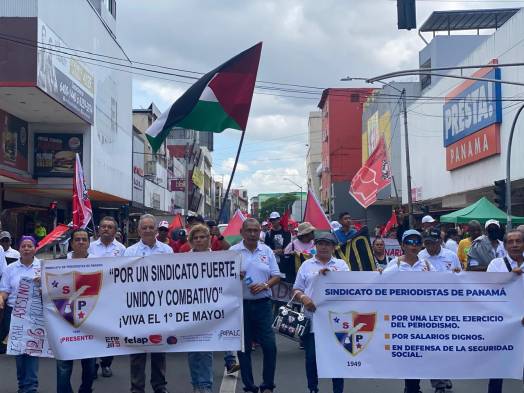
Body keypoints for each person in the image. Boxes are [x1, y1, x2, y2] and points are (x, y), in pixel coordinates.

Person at [293, 232, 348, 393]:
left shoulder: (341, 265)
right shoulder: (306, 265)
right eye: (321, 243)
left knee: (336, 358)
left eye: (328, 244)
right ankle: (312, 389)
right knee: (311, 359)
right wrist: (304, 298)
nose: (324, 247)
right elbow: (296, 289)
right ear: (315, 246)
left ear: (334, 247)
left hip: (335, 321)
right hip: (312, 319)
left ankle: (338, 390)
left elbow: (350, 288)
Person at [124, 214, 173, 393]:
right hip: (136, 308)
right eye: (143, 227)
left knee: (159, 348)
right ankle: (137, 387)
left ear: (156, 229)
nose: (147, 230)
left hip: (160, 307)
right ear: (138, 231)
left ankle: (160, 386)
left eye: (150, 227)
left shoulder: (167, 251)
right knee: (137, 350)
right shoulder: (129, 252)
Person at [231, 218, 281, 393]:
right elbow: (224, 279)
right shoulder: (233, 251)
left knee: (269, 346)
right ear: (242, 233)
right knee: (244, 348)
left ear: (260, 232)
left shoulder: (266, 250)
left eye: (256, 230)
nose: (252, 234)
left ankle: (268, 383)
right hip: (241, 306)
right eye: (249, 230)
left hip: (263, 305)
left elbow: (276, 275)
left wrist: (266, 285)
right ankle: (249, 385)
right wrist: (234, 276)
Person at [383, 230, 434, 393]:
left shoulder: (426, 265)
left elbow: (441, 286)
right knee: (407, 355)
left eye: (417, 243)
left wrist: (455, 276)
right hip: (401, 319)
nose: (414, 246)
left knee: (418, 355)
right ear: (403, 245)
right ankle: (411, 387)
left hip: (422, 319)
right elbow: (380, 286)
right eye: (410, 242)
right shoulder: (395, 264)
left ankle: (413, 386)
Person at [56, 228, 97, 393]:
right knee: (63, 365)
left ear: (89, 243)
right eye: (77, 239)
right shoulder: (58, 262)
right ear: (71, 243)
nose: (81, 242)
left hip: (91, 321)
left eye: (84, 239)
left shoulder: (99, 263)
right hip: (64, 320)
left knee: (90, 365)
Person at [485, 230, 524, 393]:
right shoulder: (496, 264)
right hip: (502, 323)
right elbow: (487, 291)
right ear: (505, 245)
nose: (514, 245)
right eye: (510, 242)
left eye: (518, 241)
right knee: (497, 367)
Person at [0, 236, 40, 391]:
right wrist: (1, 299)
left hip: (35, 313)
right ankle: (23, 384)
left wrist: (42, 285)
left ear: (35, 248)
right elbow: (4, 290)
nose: (27, 249)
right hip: (14, 314)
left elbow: (51, 288)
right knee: (18, 351)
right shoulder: (11, 269)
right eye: (23, 246)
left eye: (30, 246)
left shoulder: (42, 266)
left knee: (31, 350)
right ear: (19, 249)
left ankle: (30, 387)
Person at [88, 216, 126, 378]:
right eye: (103, 226)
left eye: (110, 227)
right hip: (92, 295)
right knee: (91, 331)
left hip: (112, 297)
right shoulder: (89, 247)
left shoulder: (122, 249)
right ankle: (92, 364)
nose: (106, 229)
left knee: (109, 332)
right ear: (98, 229)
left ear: (115, 231)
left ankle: (106, 363)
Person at [186, 224, 215, 393]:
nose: (199, 240)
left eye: (202, 237)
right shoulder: (183, 259)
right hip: (189, 309)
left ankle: (205, 385)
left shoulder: (220, 258)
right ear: (191, 241)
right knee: (191, 349)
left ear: (208, 239)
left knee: (206, 348)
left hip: (210, 309)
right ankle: (196, 383)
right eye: (195, 237)